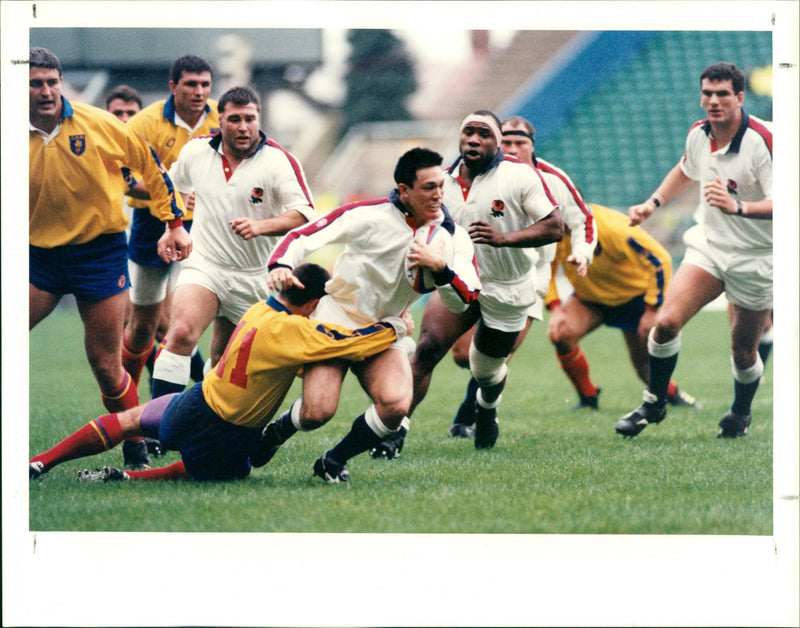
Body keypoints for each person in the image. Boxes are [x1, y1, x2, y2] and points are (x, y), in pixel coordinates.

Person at [29, 264, 413, 483]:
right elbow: (352, 342)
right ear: (313, 302)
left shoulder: (259, 310)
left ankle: (42, 461)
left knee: (127, 421)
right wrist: (395, 326)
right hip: (226, 429)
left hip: (197, 399)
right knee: (227, 471)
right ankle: (127, 478)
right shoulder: (296, 331)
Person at [259, 147, 481, 483]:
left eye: (440, 186)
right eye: (428, 188)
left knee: (396, 406)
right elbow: (306, 234)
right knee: (317, 412)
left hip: (385, 330)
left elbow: (463, 300)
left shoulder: (452, 239)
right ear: (403, 190)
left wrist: (442, 270)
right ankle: (276, 432)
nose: (438, 195)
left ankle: (333, 460)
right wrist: (281, 264)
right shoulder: (370, 215)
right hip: (337, 320)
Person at [382, 115, 595, 450]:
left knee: (486, 369)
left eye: (485, 134)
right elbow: (398, 215)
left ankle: (485, 408)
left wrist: (506, 239)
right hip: (458, 279)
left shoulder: (525, 176)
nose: (475, 139)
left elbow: (558, 226)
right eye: (468, 132)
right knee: (427, 350)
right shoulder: (441, 180)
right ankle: (394, 430)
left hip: (512, 284)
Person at [29, 48, 190, 443]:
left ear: (61, 83)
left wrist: (174, 224)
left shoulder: (98, 123)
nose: (46, 91)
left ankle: (135, 446)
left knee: (105, 364)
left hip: (98, 254)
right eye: (35, 83)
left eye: (52, 82)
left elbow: (152, 167)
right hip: (37, 257)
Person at [616, 61, 772, 438]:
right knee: (665, 323)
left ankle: (740, 412)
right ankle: (654, 401)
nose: (714, 101)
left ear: (739, 97)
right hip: (710, 247)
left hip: (757, 258)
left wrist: (738, 207)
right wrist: (652, 204)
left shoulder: (764, 141)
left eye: (722, 94)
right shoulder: (699, 134)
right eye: (707, 93)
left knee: (743, 352)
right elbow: (686, 169)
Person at [150, 85, 317, 400]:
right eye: (235, 119)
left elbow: (306, 214)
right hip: (206, 264)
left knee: (228, 362)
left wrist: (261, 225)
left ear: (259, 119)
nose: (243, 127)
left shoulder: (279, 161)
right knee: (181, 333)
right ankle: (157, 428)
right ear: (220, 120)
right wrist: (171, 228)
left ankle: (209, 420)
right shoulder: (196, 150)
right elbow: (173, 189)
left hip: (256, 276)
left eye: (250, 119)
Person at [120, 56, 220, 421]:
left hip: (202, 230)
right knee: (143, 325)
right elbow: (127, 177)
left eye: (205, 85)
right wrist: (174, 196)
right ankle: (126, 403)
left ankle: (176, 414)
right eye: (191, 84)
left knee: (180, 323)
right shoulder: (145, 121)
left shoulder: (219, 119)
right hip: (150, 226)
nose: (199, 92)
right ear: (172, 86)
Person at [546, 203, 699, 410]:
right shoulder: (554, 230)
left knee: (644, 369)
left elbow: (660, 259)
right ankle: (588, 398)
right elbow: (545, 267)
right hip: (589, 299)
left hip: (632, 299)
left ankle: (675, 396)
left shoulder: (613, 227)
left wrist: (651, 310)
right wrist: (555, 308)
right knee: (560, 334)